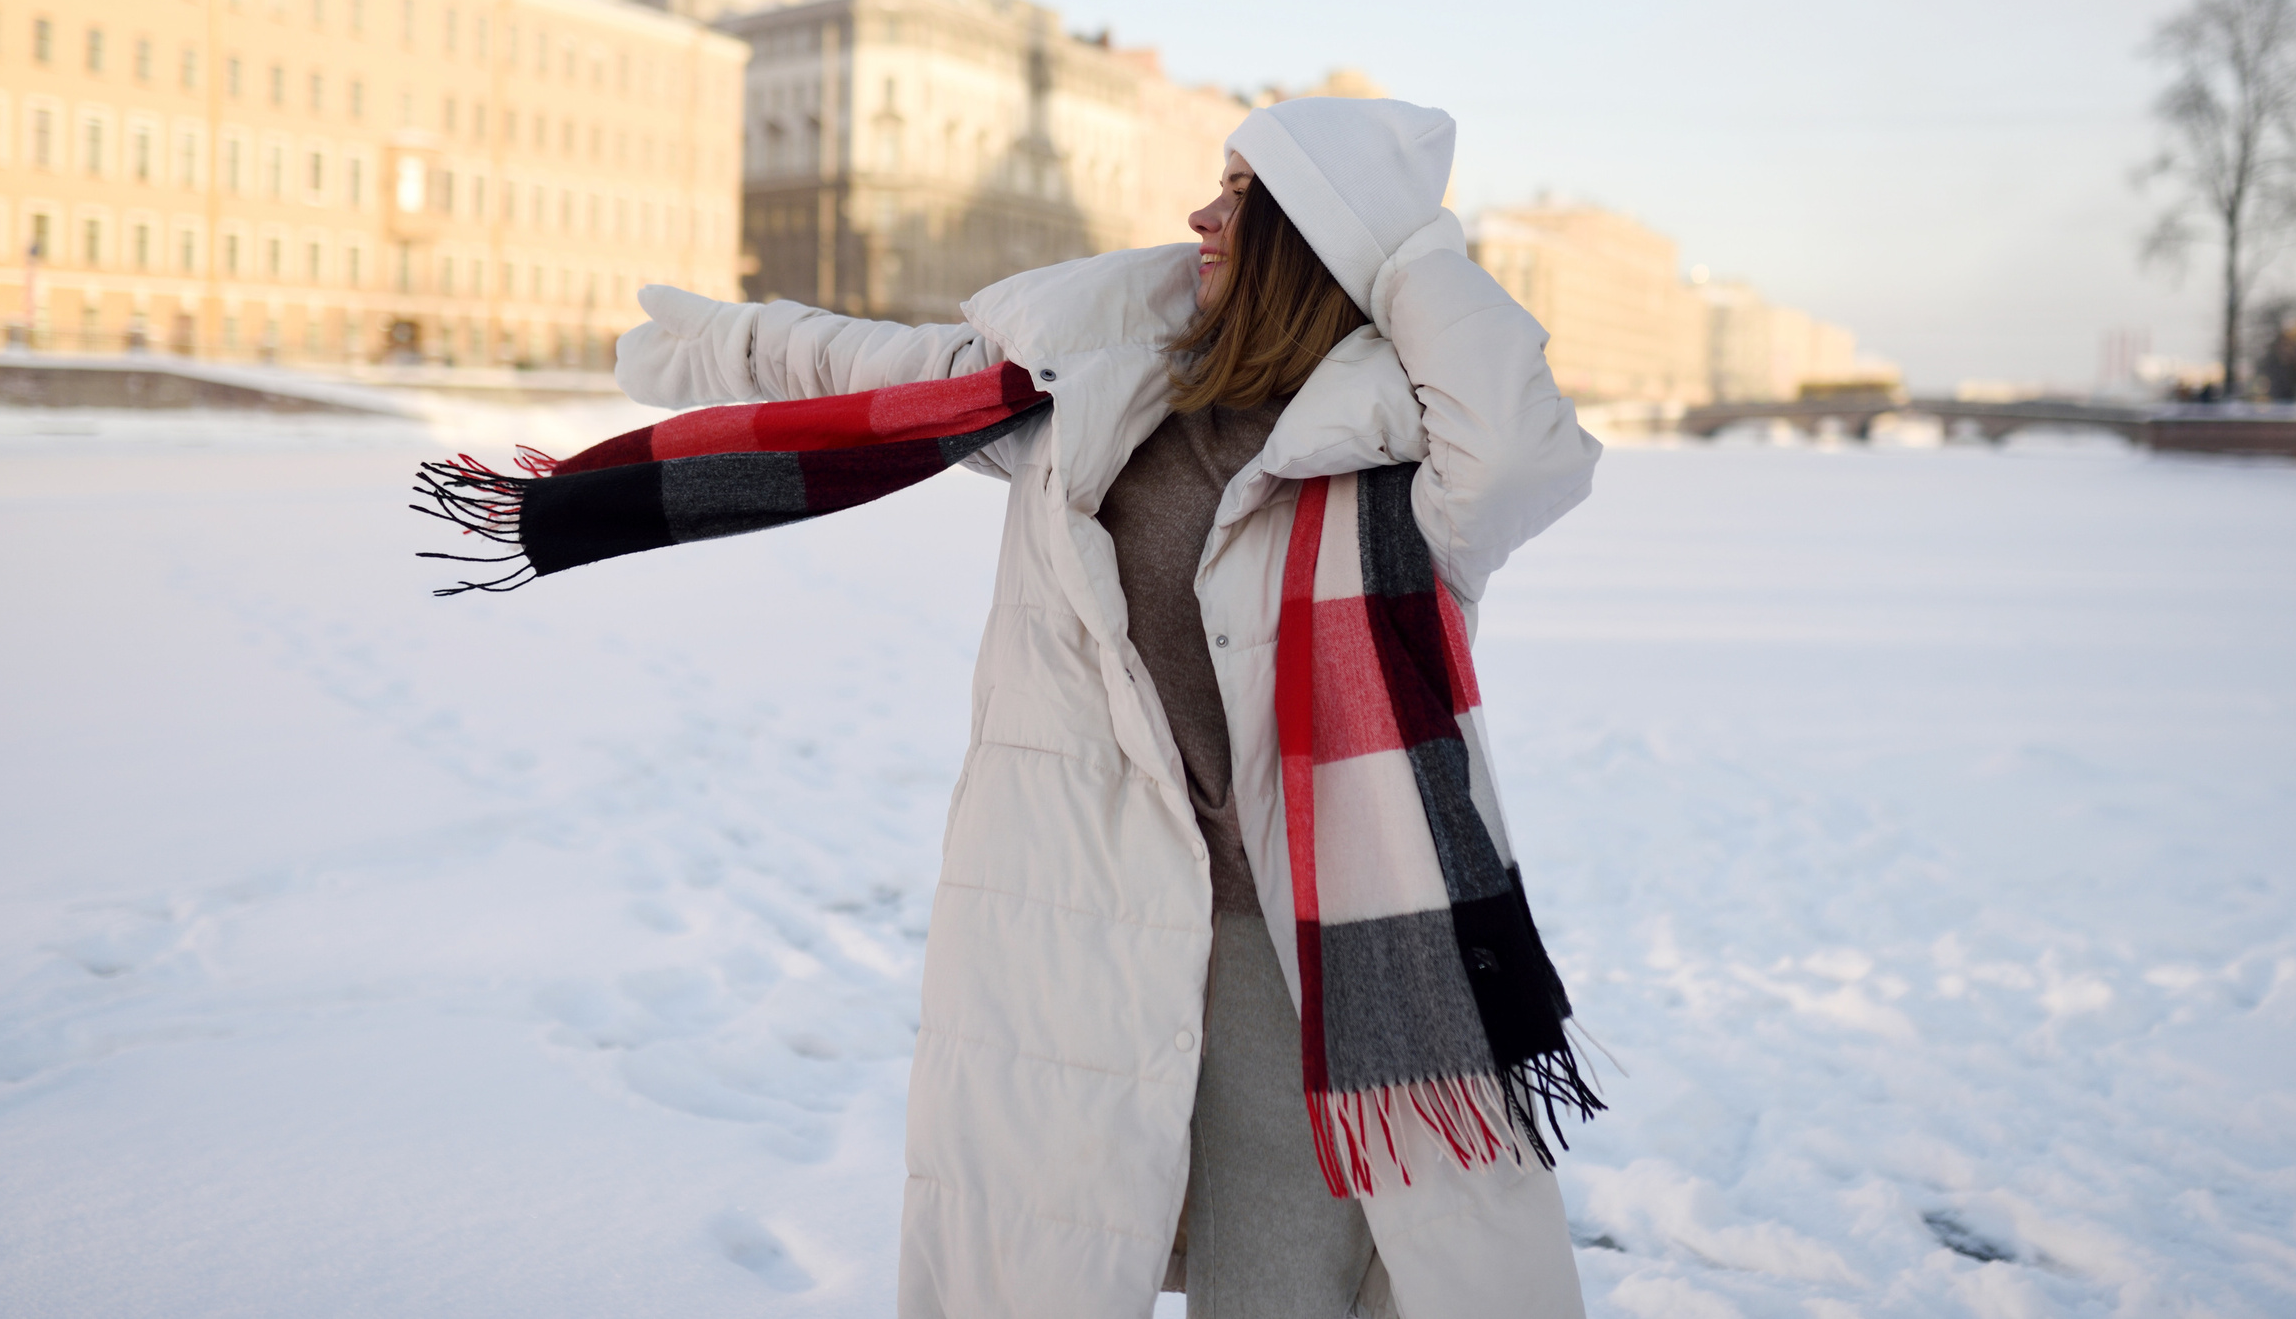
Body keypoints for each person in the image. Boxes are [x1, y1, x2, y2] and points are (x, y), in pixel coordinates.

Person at [615, 96, 1599, 1319]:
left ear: (1322, 233)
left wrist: (1407, 250)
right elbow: (880, 370)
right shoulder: (1093, 393)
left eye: (1242, 195)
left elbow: (1524, 452)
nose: (1200, 214)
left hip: (1299, 948)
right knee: (1043, 1258)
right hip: (1077, 914)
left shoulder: (1407, 466)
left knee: (1277, 1290)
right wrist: (733, 341)